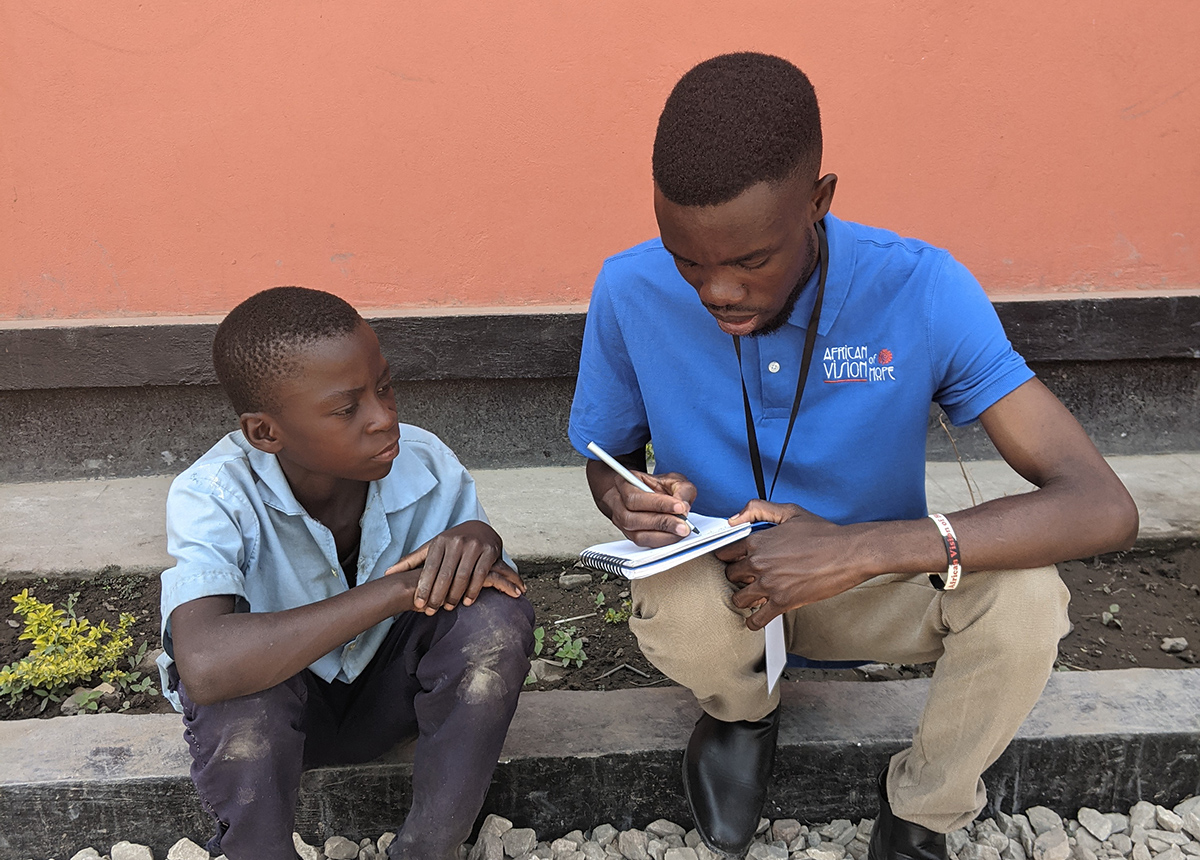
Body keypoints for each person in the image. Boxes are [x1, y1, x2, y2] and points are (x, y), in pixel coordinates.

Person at [568, 53, 1138, 860]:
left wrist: (862, 547)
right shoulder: (629, 290)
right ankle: (741, 716)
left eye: (751, 260)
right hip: (730, 586)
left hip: (884, 583)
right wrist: (621, 495)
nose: (717, 290)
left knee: (1026, 601)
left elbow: (1100, 505)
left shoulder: (922, 288)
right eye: (688, 259)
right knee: (674, 603)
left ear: (819, 202)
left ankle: (923, 810)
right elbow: (607, 457)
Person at [157, 286, 535, 860]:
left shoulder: (426, 463)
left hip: (392, 702)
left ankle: (429, 847)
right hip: (280, 714)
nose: (385, 419)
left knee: (496, 622)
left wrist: (482, 543)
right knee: (238, 692)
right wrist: (398, 590)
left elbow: (483, 596)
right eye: (346, 408)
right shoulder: (213, 495)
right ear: (266, 433)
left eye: (385, 387)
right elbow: (206, 665)